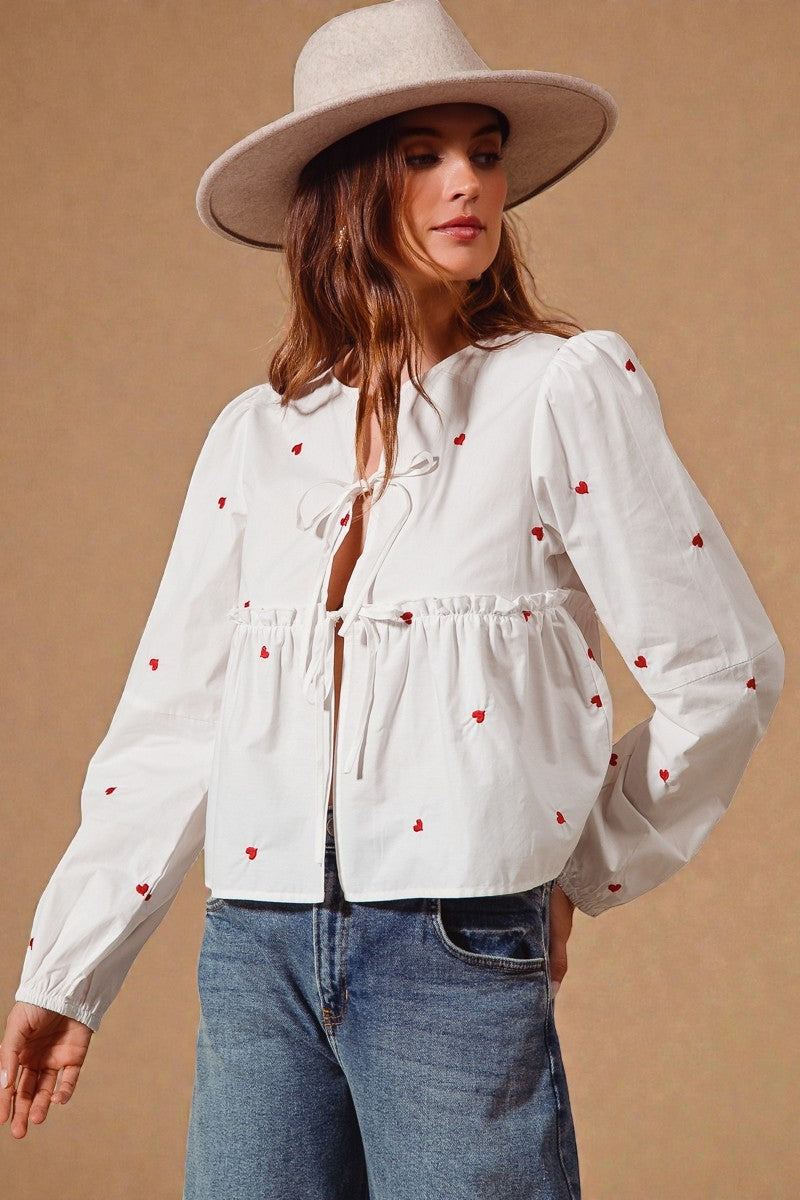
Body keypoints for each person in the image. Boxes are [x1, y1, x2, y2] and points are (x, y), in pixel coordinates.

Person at [0, 0, 785, 1195]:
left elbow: (722, 669)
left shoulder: (558, 388)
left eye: (482, 150)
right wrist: (69, 970)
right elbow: (175, 724)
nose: (466, 181)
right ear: (342, 192)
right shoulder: (255, 437)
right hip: (253, 948)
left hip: (450, 945)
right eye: (421, 155)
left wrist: (580, 866)